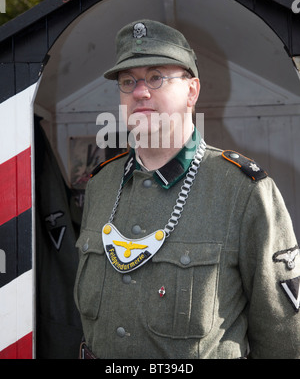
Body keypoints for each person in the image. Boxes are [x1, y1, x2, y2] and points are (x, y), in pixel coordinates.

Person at [74, 19, 300, 359]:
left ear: (192, 90)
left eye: (155, 77)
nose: (139, 91)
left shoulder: (245, 191)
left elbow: (283, 336)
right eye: (127, 81)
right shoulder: (101, 185)